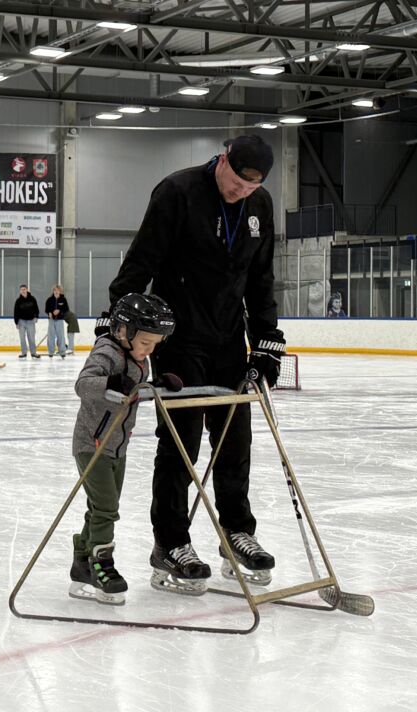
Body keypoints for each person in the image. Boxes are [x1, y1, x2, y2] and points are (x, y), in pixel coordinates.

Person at [105, 134, 280, 595]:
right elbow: (141, 261)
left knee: (233, 437)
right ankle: (171, 542)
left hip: (228, 339)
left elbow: (261, 281)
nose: (242, 193)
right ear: (223, 161)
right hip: (179, 338)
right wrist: (121, 330)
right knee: (180, 442)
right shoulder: (177, 193)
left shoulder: (260, 206)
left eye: (251, 188)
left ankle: (236, 532)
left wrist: (265, 344)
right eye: (238, 183)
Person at [68, 293, 180, 605]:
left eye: (155, 343)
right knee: (106, 509)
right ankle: (102, 564)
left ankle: (82, 562)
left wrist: (157, 386)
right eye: (145, 342)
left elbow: (131, 392)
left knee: (99, 507)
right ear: (123, 331)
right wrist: (111, 382)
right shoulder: (108, 352)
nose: (150, 349)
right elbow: (84, 384)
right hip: (92, 444)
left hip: (117, 446)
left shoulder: (139, 360)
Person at [13, 284, 41, 359]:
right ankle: (24, 353)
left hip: (31, 321)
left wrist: (36, 317)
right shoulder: (18, 301)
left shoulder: (32, 299)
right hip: (21, 322)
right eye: (21, 289)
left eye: (24, 289)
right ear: (20, 291)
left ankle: (33, 353)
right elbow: (16, 312)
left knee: (31, 338)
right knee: (22, 338)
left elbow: (36, 309)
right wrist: (16, 322)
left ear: (27, 290)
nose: (23, 291)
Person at [46, 284, 70, 359]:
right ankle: (50, 352)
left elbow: (66, 309)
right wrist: (49, 313)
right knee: (51, 336)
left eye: (58, 290)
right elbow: (46, 309)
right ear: (53, 291)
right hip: (51, 320)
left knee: (61, 336)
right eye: (55, 290)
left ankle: (62, 352)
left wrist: (59, 311)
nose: (56, 291)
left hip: (59, 320)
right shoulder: (49, 300)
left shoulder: (63, 300)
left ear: (60, 291)